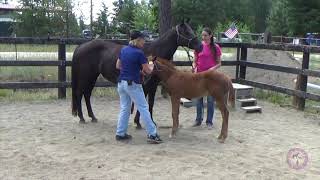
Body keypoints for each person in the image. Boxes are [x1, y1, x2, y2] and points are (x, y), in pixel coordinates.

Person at [115, 30, 162, 144]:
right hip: (133, 84)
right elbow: (148, 71)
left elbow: (118, 66)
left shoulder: (123, 50)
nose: (144, 42)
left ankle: (120, 133)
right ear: (138, 40)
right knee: (143, 108)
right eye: (143, 40)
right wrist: (151, 64)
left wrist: (134, 71)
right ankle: (152, 134)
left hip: (121, 83)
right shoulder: (139, 53)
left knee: (125, 108)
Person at [192, 27, 222, 129]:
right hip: (199, 76)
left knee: (210, 99)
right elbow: (195, 60)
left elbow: (219, 63)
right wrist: (194, 67)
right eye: (202, 35)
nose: (203, 37)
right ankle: (198, 120)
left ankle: (209, 121)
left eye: (205, 35)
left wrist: (212, 69)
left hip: (210, 77)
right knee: (198, 98)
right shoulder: (199, 46)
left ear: (210, 35)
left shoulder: (216, 47)